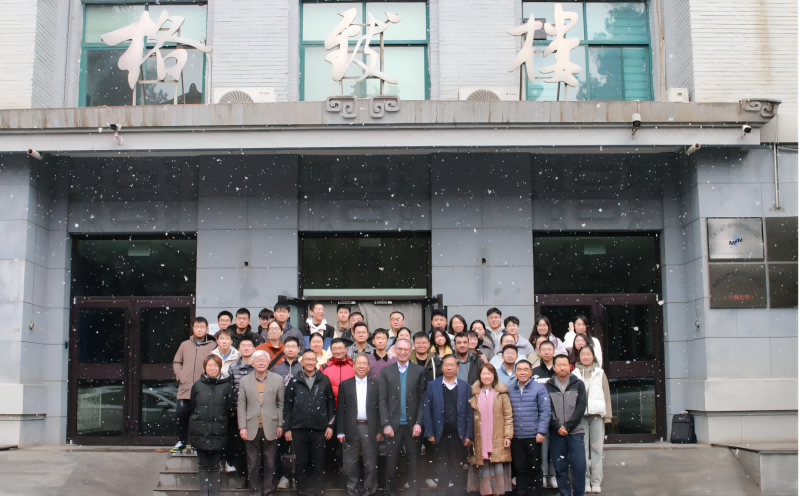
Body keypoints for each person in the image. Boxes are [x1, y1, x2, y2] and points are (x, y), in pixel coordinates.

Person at [283, 349, 336, 496]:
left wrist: (330, 425)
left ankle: (319, 491)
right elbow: (288, 405)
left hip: (320, 429)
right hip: (299, 429)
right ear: (302, 361)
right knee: (301, 462)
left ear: (316, 361)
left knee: (319, 463)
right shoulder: (294, 380)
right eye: (307, 359)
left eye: (312, 359)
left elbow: (331, 403)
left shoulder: (324, 380)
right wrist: (287, 428)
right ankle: (301, 491)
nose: (310, 362)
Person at [379, 339, 427, 496]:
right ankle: (391, 493)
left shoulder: (420, 371)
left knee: (414, 464)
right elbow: (382, 400)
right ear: (395, 350)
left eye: (406, 349)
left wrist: (419, 423)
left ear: (411, 350)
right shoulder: (386, 371)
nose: (403, 352)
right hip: (392, 426)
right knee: (391, 464)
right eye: (400, 349)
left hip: (413, 426)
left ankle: (413, 493)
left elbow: (423, 400)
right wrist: (385, 423)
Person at [422, 354, 474, 496]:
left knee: (458, 470)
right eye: (446, 365)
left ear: (457, 367)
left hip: (459, 435)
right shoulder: (432, 385)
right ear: (442, 367)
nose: (449, 368)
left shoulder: (465, 386)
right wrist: (430, 433)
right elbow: (427, 411)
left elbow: (470, 413)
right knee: (441, 469)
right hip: (440, 435)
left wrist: (469, 435)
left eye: (452, 365)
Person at [238, 350, 284, 496]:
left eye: (263, 360)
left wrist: (280, 424)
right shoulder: (244, 381)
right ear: (252, 363)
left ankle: (269, 491)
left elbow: (281, 404)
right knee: (253, 463)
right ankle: (255, 491)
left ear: (269, 362)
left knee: (270, 462)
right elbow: (241, 405)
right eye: (257, 360)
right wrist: (242, 427)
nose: (261, 363)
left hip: (271, 426)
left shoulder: (278, 379)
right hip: (251, 426)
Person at [190, 355, 235, 496]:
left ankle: (214, 493)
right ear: (205, 367)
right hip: (200, 430)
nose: (212, 368)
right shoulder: (197, 385)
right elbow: (193, 406)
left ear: (220, 367)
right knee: (203, 465)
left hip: (219, 430)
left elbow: (230, 408)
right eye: (209, 365)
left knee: (215, 466)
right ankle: (205, 493)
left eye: (215, 365)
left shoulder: (227, 386)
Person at [337, 354, 382, 496]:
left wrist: (380, 430)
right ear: (354, 366)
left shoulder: (376, 384)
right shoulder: (345, 384)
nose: (361, 366)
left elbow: (380, 409)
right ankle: (352, 489)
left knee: (370, 462)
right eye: (358, 363)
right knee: (350, 462)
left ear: (368, 367)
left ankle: (369, 490)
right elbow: (340, 410)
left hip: (370, 427)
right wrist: (340, 431)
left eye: (364, 363)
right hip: (351, 427)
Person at [466, 363, 513, 496]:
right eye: (484, 373)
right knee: (483, 464)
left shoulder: (502, 394)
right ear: (479, 376)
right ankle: (485, 492)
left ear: (494, 376)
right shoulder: (473, 394)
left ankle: (497, 492)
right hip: (479, 437)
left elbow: (508, 416)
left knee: (497, 465)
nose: (486, 376)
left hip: (497, 436)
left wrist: (508, 436)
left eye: (489, 373)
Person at [172, 317, 217, 453]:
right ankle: (181, 441)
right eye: (197, 327)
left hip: (203, 387)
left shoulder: (213, 345)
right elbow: (177, 362)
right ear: (193, 328)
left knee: (199, 418)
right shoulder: (185, 344)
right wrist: (180, 376)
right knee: (182, 415)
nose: (199, 329)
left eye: (202, 327)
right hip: (185, 387)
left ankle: (195, 444)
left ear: (207, 328)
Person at [508, 359, 551, 496]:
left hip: (534, 435)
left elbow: (545, 411)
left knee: (535, 468)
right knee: (520, 468)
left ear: (531, 372)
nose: (522, 372)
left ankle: (536, 493)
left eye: (526, 369)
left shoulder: (539, 388)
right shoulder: (509, 389)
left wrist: (541, 431)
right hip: (516, 436)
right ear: (515, 372)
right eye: (519, 369)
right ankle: (522, 493)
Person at [546, 355, 588, 496]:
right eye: (559, 365)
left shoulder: (578, 384)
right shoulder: (547, 386)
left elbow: (581, 407)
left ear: (570, 366)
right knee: (560, 467)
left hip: (575, 432)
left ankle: (578, 494)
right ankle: (565, 493)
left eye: (565, 364)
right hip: (556, 433)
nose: (562, 367)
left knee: (579, 466)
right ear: (554, 367)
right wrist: (557, 426)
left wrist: (568, 426)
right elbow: (547, 409)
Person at [573, 346, 612, 494]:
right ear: (579, 356)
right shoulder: (574, 373)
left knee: (597, 450)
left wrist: (607, 417)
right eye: (583, 354)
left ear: (593, 356)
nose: (586, 357)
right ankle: (585, 481)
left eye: (588, 354)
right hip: (580, 417)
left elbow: (606, 395)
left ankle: (596, 481)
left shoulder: (600, 373)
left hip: (597, 416)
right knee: (582, 450)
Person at [269, 336, 302, 490]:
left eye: (293, 346)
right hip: (281, 411)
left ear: (298, 349)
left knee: (298, 447)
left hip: (299, 412)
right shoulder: (277, 368)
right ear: (284, 349)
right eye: (287, 346)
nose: (290, 349)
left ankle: (297, 477)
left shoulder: (302, 366)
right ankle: (284, 476)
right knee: (281, 447)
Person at [227, 337, 256, 475]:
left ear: (254, 349)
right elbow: (230, 389)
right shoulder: (233, 368)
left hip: (257, 412)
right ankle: (241, 472)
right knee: (239, 444)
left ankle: (254, 473)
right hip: (238, 412)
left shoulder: (259, 366)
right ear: (239, 349)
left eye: (249, 345)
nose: (246, 347)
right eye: (243, 345)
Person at [531, 339, 557, 487]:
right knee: (542, 447)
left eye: (549, 349)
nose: (547, 352)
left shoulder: (559, 370)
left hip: (557, 414)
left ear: (554, 351)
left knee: (554, 446)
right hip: (539, 415)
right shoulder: (534, 372)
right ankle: (543, 475)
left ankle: (553, 475)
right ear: (539, 352)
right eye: (544, 350)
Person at [321, 338, 355, 404]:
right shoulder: (324, 367)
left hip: (350, 404)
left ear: (346, 350)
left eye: (340, 348)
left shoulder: (354, 366)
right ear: (331, 351)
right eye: (334, 349)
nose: (338, 351)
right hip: (330, 405)